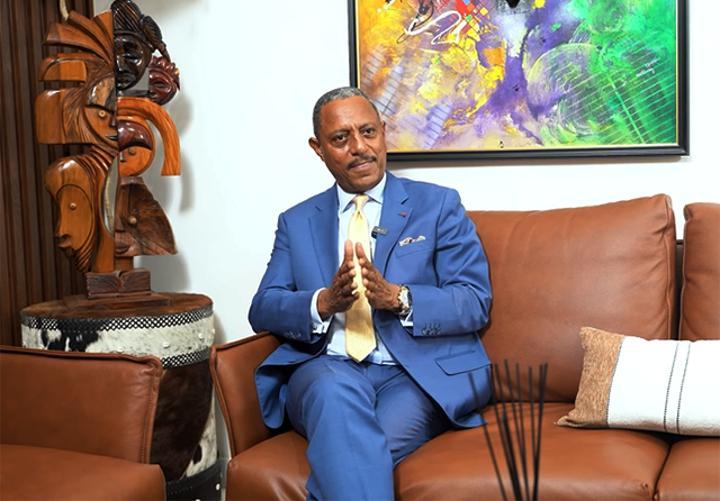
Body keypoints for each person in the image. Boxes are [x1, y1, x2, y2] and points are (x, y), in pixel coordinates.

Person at [249, 86, 492, 500]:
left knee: (350, 452)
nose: (359, 148)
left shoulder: (438, 206)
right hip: (327, 369)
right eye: (340, 138)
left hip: (413, 377)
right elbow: (263, 307)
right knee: (334, 398)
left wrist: (399, 298)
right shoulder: (297, 221)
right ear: (318, 149)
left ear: (383, 132)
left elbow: (473, 300)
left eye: (367, 132)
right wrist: (323, 302)